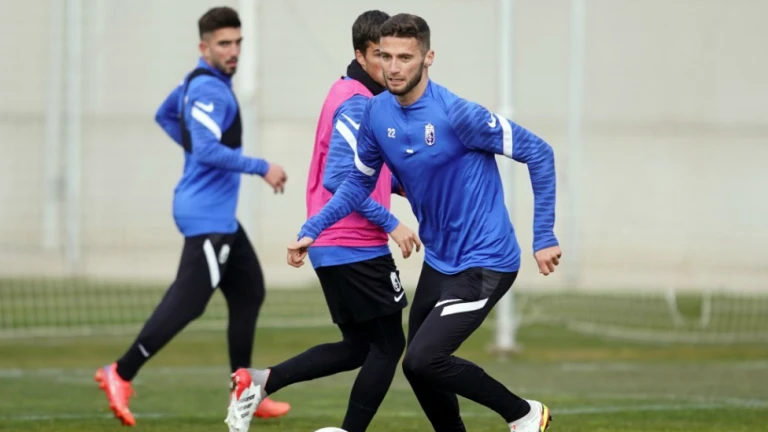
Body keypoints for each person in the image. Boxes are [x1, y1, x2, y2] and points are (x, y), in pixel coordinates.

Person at [286, 13, 560, 432]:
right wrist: (313, 228)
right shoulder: (376, 112)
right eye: (386, 56)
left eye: (405, 58)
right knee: (419, 369)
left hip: (487, 260)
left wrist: (544, 235)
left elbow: (539, 152)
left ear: (428, 58)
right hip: (440, 260)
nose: (394, 67)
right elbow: (357, 182)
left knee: (423, 358)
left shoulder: (458, 114)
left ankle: (524, 414)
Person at [94, 7, 290, 426]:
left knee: (249, 291)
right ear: (204, 47)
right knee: (189, 301)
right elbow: (206, 149)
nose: (233, 51)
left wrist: (194, 148)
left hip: (219, 217)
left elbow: (164, 114)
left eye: (237, 42)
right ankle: (121, 372)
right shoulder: (210, 91)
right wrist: (261, 167)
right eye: (224, 44)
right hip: (206, 216)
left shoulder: (196, 82)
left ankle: (244, 390)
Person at [224, 10, 420, 432]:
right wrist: (392, 223)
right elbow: (338, 178)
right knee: (389, 345)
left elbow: (361, 170)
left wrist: (403, 187)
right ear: (360, 55)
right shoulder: (356, 101)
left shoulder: (352, 92)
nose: (390, 65)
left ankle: (260, 382)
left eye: (394, 55)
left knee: (359, 346)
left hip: (336, 241)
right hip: (352, 240)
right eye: (380, 55)